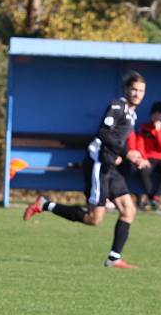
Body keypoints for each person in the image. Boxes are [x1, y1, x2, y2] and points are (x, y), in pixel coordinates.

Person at [23, 71, 150, 269]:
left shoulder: (132, 114)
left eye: (141, 90)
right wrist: (127, 153)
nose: (137, 94)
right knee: (94, 219)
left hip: (110, 165)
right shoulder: (117, 106)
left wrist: (130, 155)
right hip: (99, 164)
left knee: (129, 210)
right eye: (134, 89)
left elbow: (117, 139)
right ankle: (45, 204)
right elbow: (103, 133)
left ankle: (114, 258)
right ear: (126, 89)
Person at [129, 101, 161, 210]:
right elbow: (140, 144)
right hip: (148, 158)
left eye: (159, 114)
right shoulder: (144, 128)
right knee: (144, 171)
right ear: (151, 115)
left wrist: (157, 131)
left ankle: (156, 197)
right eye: (154, 114)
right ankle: (152, 198)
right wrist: (143, 159)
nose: (156, 116)